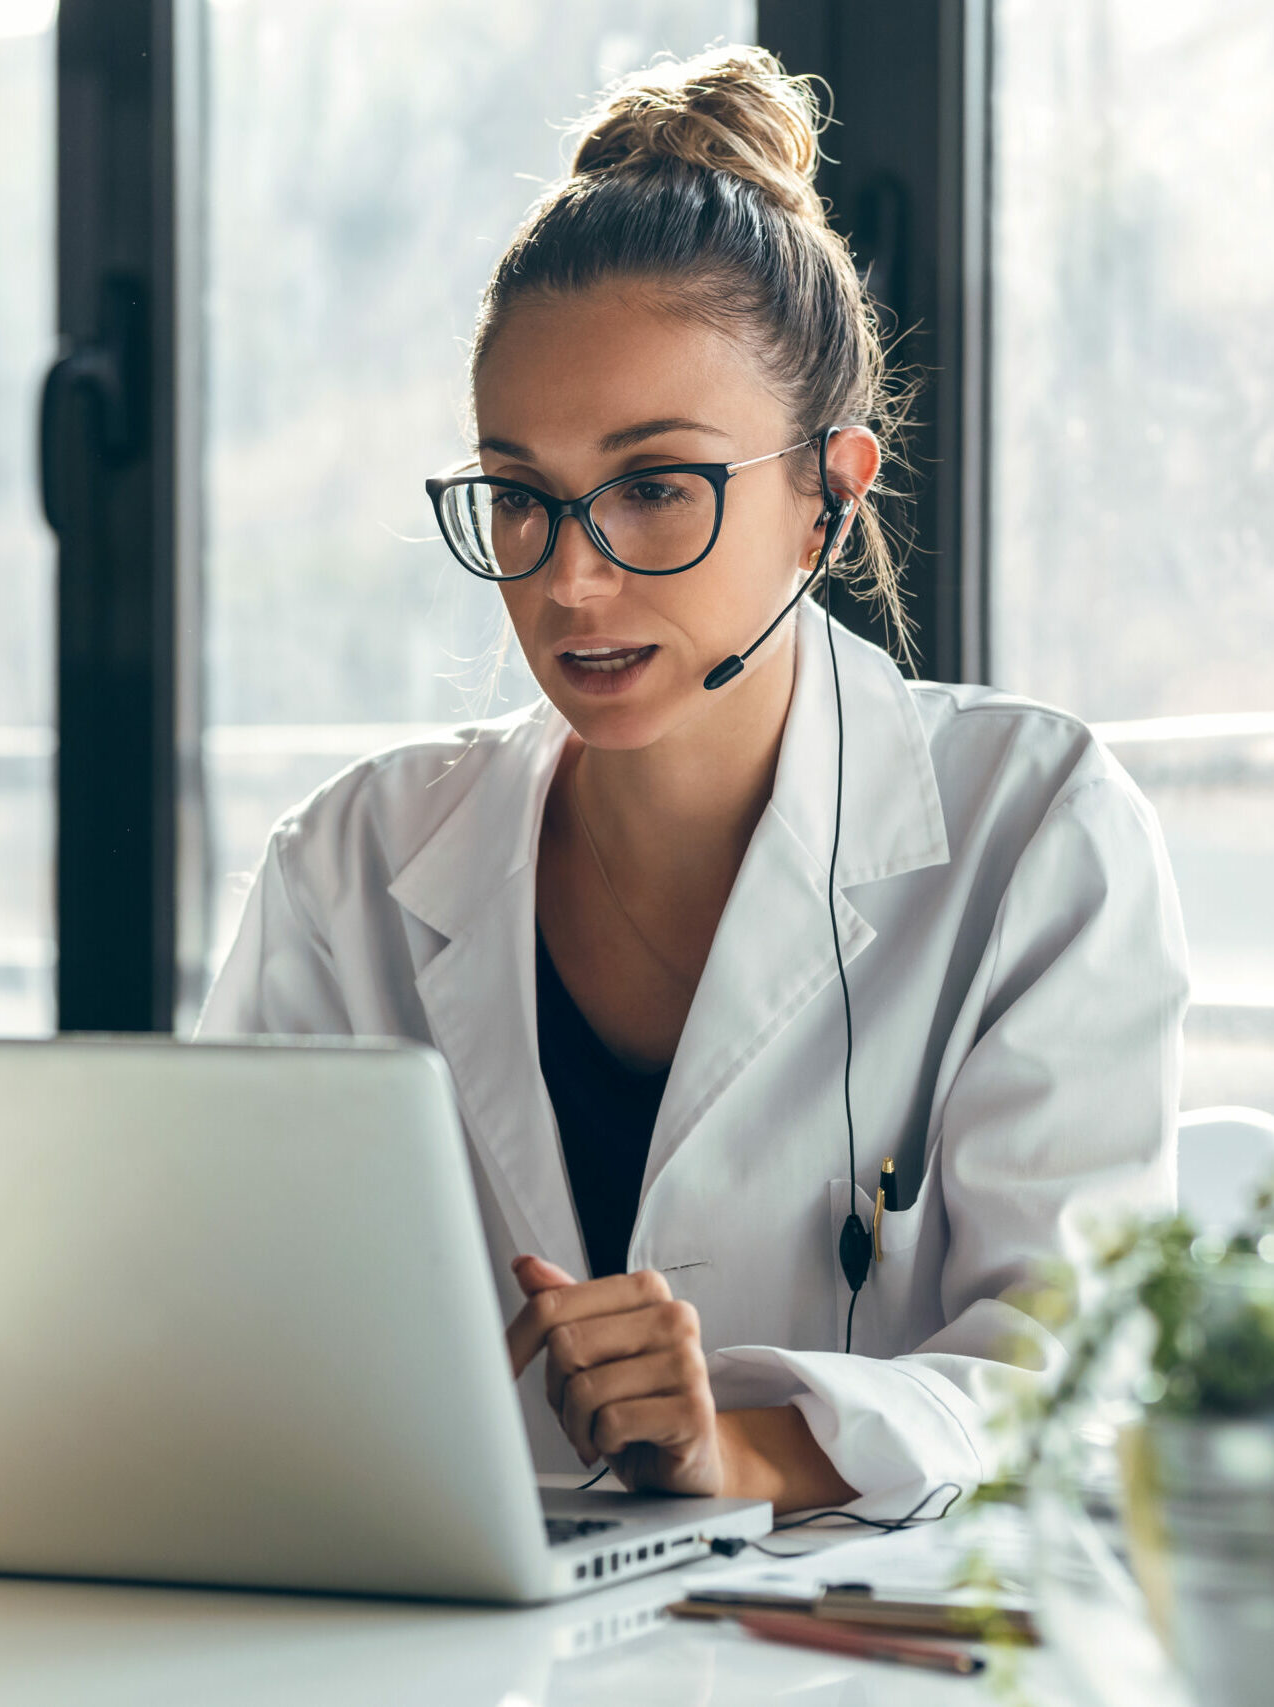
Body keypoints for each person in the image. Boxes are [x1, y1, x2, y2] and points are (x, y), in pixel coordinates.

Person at [197, 45, 1188, 1517]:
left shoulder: (1035, 830)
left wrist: (743, 1449)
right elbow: (203, 1330)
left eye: (655, 485)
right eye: (520, 496)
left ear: (828, 495)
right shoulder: (345, 866)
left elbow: (1086, 1381)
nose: (571, 578)